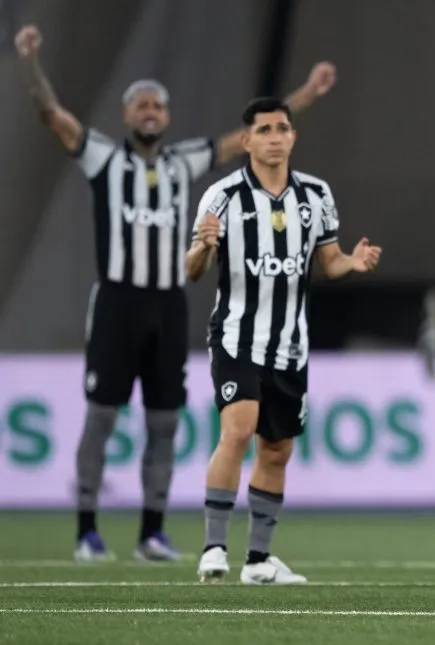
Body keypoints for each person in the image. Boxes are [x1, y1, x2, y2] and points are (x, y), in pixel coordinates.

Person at [13, 24, 337, 562]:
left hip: (166, 306)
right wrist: (31, 63)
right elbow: (54, 118)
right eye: (140, 103)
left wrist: (304, 95)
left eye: (157, 105)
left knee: (164, 419)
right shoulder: (104, 158)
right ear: (126, 115)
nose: (149, 111)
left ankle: (151, 533)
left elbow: (248, 139)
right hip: (117, 301)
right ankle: (87, 530)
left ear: (165, 117)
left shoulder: (182, 161)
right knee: (103, 415)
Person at [186, 97, 382, 584]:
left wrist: (352, 263)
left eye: (282, 128)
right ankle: (213, 548)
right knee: (238, 429)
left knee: (276, 449)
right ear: (247, 140)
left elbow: (328, 261)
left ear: (292, 137)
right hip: (236, 336)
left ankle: (257, 560)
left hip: (291, 345)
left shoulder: (315, 195)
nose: (275, 137)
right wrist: (203, 247)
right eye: (265, 129)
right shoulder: (222, 196)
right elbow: (192, 270)